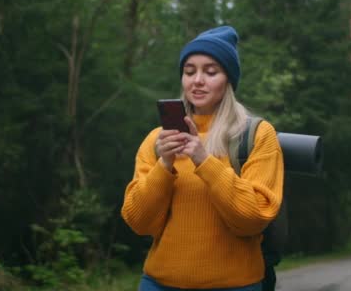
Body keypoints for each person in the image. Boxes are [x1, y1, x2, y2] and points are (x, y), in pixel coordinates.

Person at [121, 25, 284, 291]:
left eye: (211, 72)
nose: (197, 80)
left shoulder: (255, 135)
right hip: (159, 284)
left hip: (235, 285)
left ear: (228, 80)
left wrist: (203, 160)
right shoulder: (157, 140)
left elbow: (253, 218)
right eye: (189, 72)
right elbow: (138, 222)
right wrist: (164, 165)